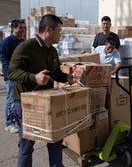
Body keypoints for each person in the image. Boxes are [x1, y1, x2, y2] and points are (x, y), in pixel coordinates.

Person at [8, 14, 75, 167]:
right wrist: (33, 77)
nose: (60, 34)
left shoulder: (52, 51)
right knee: (26, 145)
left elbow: (56, 73)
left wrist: (67, 78)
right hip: (26, 104)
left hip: (47, 103)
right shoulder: (26, 47)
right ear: (48, 30)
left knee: (55, 140)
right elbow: (11, 72)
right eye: (58, 31)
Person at [0, 19, 26, 133]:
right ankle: (9, 123)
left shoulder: (22, 41)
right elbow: (4, 59)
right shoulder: (7, 42)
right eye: (20, 27)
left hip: (21, 74)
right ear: (13, 29)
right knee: (11, 98)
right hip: (11, 75)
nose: (22, 30)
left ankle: (17, 120)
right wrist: (9, 73)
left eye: (24, 28)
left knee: (18, 99)